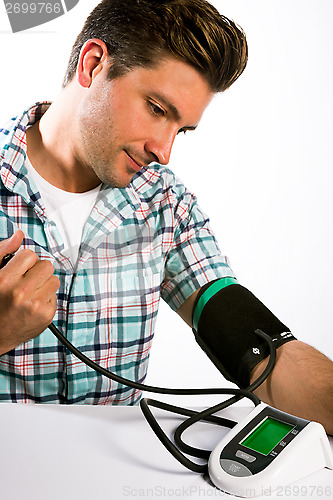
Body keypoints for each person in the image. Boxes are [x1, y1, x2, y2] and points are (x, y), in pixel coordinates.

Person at [0, 0, 332, 433]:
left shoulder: (165, 203)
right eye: (157, 109)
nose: (164, 150)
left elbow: (254, 347)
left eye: (181, 130)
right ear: (94, 64)